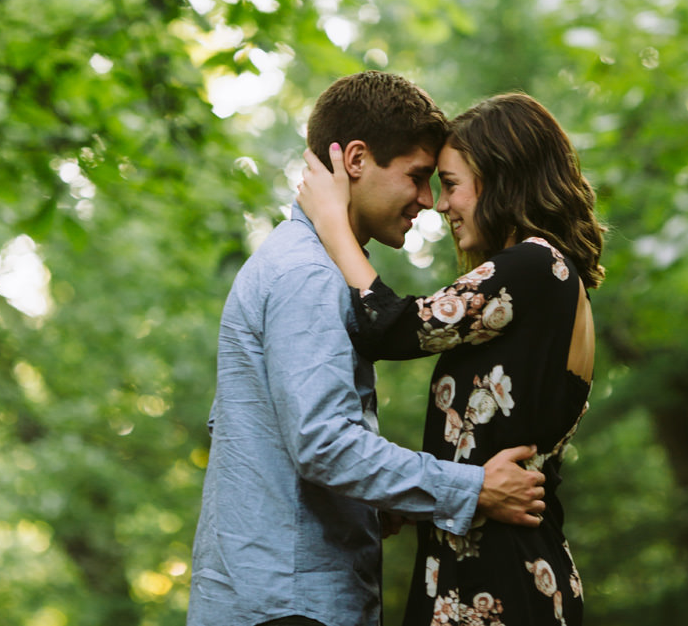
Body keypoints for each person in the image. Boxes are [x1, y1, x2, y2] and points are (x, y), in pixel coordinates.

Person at [188, 71, 547, 626]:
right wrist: (473, 489)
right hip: (290, 607)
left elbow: (261, 438)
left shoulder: (295, 263)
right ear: (356, 159)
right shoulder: (306, 275)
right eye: (417, 177)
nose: (427, 202)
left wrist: (370, 503)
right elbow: (322, 443)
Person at [299, 90, 605, 626]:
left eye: (452, 184)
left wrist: (332, 225)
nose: (440, 204)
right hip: (493, 564)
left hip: (498, 580)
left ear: (502, 180)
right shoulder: (550, 281)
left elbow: (391, 327)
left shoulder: (535, 264)